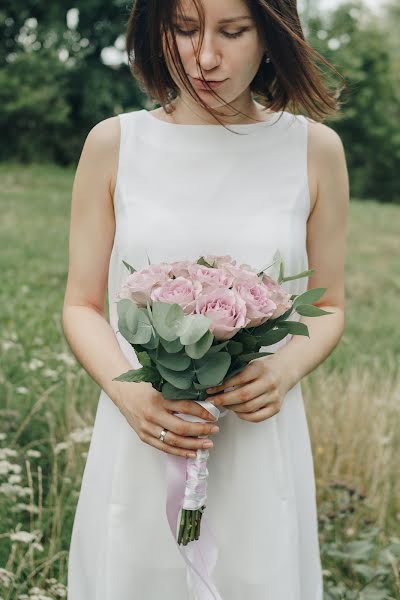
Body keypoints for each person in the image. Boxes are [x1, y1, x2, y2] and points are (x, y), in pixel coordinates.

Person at [63, 0, 349, 597]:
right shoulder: (115, 143)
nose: (206, 57)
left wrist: (284, 368)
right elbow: (81, 304)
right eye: (185, 30)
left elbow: (329, 306)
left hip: (252, 433)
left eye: (233, 31)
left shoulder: (314, 150)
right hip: (145, 429)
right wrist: (129, 393)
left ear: (271, 36)